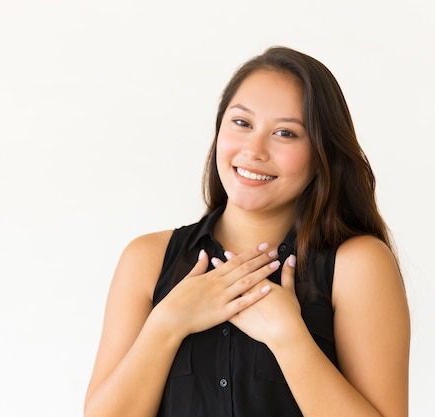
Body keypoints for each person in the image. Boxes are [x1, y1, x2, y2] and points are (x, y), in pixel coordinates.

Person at [83, 46, 410, 417]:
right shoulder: (147, 259)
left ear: (322, 154)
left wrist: (289, 338)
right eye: (242, 123)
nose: (254, 149)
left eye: (286, 133)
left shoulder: (358, 265)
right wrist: (166, 323)